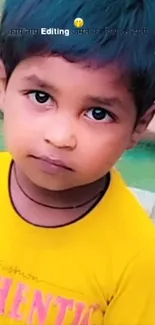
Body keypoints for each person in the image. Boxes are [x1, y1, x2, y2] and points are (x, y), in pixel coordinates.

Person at [0, 0, 155, 324]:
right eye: (41, 97)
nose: (60, 137)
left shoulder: (139, 257)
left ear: (139, 126)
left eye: (99, 113)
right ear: (3, 84)